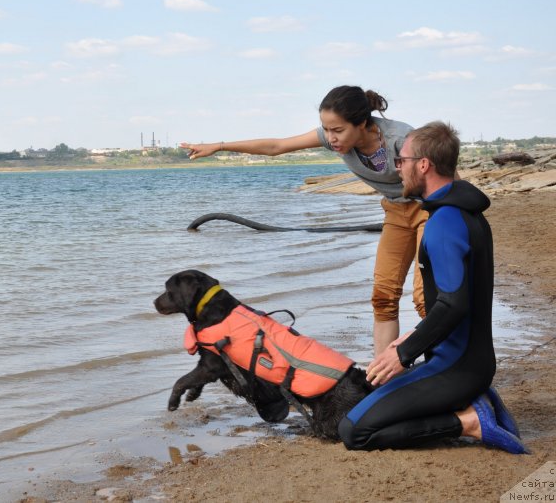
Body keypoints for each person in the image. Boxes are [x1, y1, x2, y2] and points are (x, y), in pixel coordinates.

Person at [182, 85, 427, 356]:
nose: (330, 138)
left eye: (338, 130)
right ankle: (382, 375)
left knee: (425, 298)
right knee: (383, 298)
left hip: (430, 210)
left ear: (362, 123)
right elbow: (277, 146)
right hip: (395, 212)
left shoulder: (401, 138)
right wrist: (219, 146)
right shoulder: (335, 137)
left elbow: (443, 180)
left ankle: (443, 364)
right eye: (326, 129)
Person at [337, 121, 527, 454]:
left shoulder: (443, 223)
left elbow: (454, 304)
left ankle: (469, 421)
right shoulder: (463, 213)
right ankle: (475, 397)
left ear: (423, 165)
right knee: (373, 401)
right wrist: (413, 337)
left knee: (354, 430)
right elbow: (459, 299)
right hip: (467, 363)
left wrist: (403, 355)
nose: (398, 169)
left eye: (402, 161)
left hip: (456, 369)